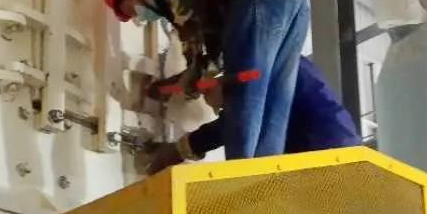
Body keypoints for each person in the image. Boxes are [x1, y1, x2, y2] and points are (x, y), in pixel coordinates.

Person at [100, 0, 311, 161]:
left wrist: (185, 84)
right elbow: (213, 46)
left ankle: (242, 175)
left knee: (243, 95)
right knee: (275, 103)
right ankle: (263, 176)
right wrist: (187, 80)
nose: (139, 17)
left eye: (132, 10)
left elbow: (194, 39)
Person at [146, 55, 361, 173]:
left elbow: (237, 118)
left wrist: (181, 149)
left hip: (328, 157)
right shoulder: (278, 60)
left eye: (218, 105)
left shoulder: (256, 72)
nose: (220, 109)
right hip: (344, 155)